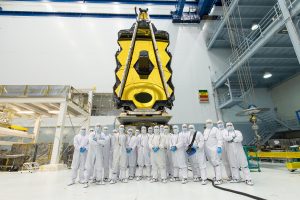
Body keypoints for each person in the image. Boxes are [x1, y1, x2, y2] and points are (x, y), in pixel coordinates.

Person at [203, 119, 223, 185]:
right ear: (205, 124)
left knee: (217, 163)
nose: (208, 124)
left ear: (212, 123)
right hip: (207, 150)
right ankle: (216, 176)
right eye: (207, 123)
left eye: (210, 122)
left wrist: (219, 146)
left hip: (214, 149)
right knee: (213, 164)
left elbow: (220, 139)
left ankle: (219, 179)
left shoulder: (215, 129)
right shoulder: (205, 130)